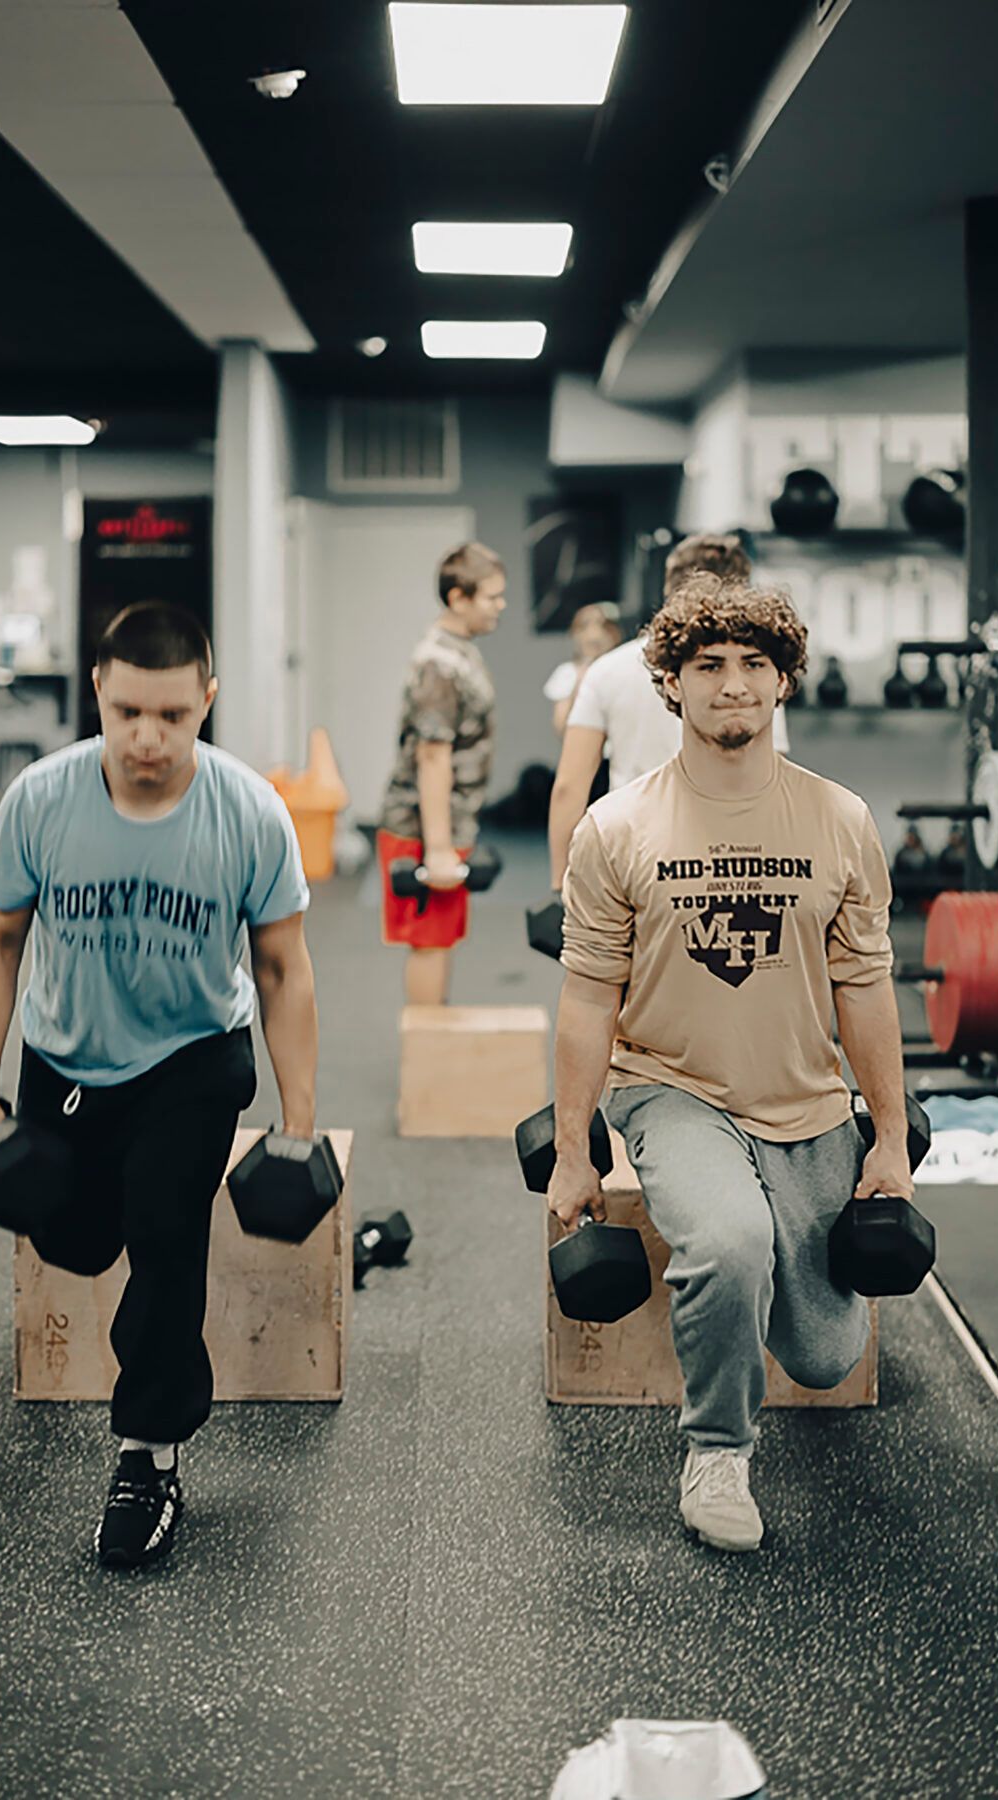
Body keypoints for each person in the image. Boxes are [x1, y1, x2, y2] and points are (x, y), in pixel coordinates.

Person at [547, 573, 909, 1552]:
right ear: (670, 682)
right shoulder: (617, 828)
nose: (734, 684)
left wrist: (891, 1135)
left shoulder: (840, 820)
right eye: (709, 665)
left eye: (756, 663)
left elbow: (865, 987)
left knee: (825, 1355)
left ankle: (760, 1299)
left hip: (805, 1100)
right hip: (671, 1086)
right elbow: (587, 998)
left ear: (786, 679)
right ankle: (717, 1454)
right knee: (729, 1242)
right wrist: (575, 1149)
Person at [0, 601, 316, 1569]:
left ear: (207, 700)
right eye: (127, 714)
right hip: (66, 1059)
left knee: (164, 1235)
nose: (148, 738)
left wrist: (298, 1120)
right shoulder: (41, 799)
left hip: (191, 1056)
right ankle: (85, 1205)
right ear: (98, 696)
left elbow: (282, 968)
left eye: (172, 715)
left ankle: (148, 1452)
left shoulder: (248, 810)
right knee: (74, 1242)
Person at [546, 532, 790, 891]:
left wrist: (561, 883)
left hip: (635, 854)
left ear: (667, 588)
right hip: (727, 858)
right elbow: (771, 779)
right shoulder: (751, 678)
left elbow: (570, 786)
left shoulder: (608, 669)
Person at [377, 542, 505, 1006]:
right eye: (492, 596)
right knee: (429, 941)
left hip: (448, 822)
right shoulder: (439, 664)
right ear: (458, 598)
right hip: (422, 827)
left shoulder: (459, 651)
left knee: (442, 937)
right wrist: (437, 848)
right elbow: (432, 756)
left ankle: (436, 1042)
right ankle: (426, 1046)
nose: (500, 606)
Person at [543, 602, 623, 737]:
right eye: (584, 626)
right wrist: (581, 681)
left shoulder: (623, 670)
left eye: (603, 626)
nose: (594, 634)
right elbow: (561, 727)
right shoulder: (567, 674)